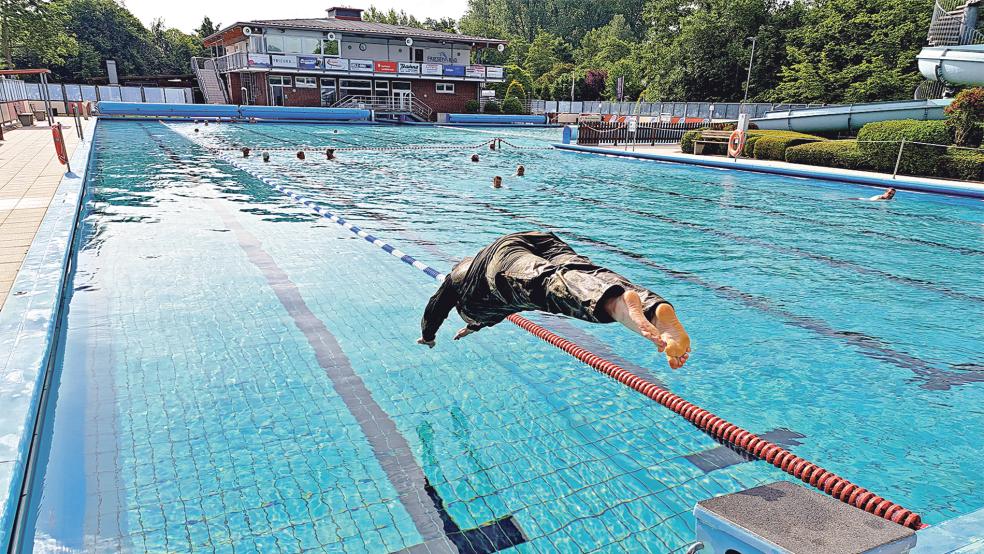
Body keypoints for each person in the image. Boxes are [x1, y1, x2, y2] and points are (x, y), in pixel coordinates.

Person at [417, 231, 691, 369]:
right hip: (538, 239)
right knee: (580, 271)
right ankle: (651, 309)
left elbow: (435, 308)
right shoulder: (484, 303)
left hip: (500, 260)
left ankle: (615, 305)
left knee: (543, 284)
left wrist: (428, 336)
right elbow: (490, 316)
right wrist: (473, 328)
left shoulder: (463, 286)